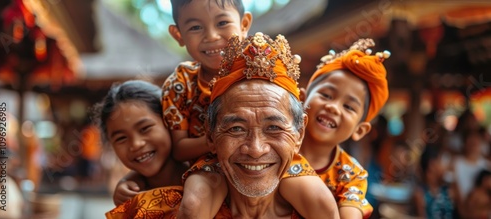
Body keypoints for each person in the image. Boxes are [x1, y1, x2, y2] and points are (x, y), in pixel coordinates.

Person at [106, 32, 339, 219]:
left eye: (274, 128)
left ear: (299, 133)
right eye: (236, 128)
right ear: (210, 135)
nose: (256, 149)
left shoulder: (327, 205)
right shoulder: (157, 210)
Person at [114, 0, 252, 218]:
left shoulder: (259, 67)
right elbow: (178, 149)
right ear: (178, 35)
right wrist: (218, 140)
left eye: (223, 22)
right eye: (196, 27)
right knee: (193, 205)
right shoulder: (180, 84)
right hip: (209, 167)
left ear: (244, 24)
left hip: (264, 156)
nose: (212, 36)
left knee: (314, 196)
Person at [286, 39, 391, 218]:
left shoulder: (352, 175)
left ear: (360, 130)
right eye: (326, 95)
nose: (333, 107)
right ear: (301, 99)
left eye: (349, 107)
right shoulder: (275, 145)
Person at [92, 80, 189, 209]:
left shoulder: (205, 172)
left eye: (145, 128)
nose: (136, 144)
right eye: (121, 138)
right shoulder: (132, 200)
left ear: (170, 121)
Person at [413, 144, 456, 219]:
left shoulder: (448, 191)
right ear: (432, 164)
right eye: (442, 161)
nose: (445, 166)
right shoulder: (420, 194)